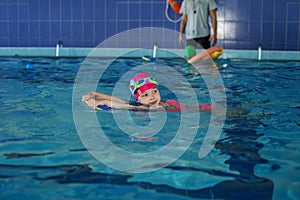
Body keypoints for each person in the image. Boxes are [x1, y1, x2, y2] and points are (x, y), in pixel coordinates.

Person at [82, 72, 212, 112]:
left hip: (200, 109)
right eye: (145, 95)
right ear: (138, 99)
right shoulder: (141, 105)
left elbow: (124, 105)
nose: (152, 97)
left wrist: (104, 102)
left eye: (154, 91)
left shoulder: (154, 107)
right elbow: (121, 101)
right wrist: (95, 94)